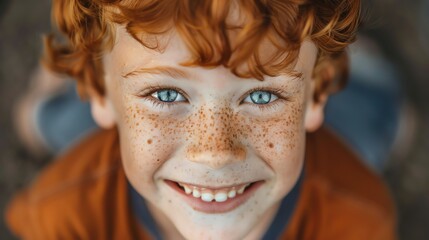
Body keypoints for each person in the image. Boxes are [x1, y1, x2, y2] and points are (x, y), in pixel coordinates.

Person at [6, 0, 397, 239]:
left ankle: (352, 61)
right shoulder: (62, 216)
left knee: (380, 123)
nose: (215, 152)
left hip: (338, 121)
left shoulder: (357, 219)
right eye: (166, 94)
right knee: (46, 122)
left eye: (262, 95)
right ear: (98, 90)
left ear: (315, 95)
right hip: (100, 126)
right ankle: (57, 95)